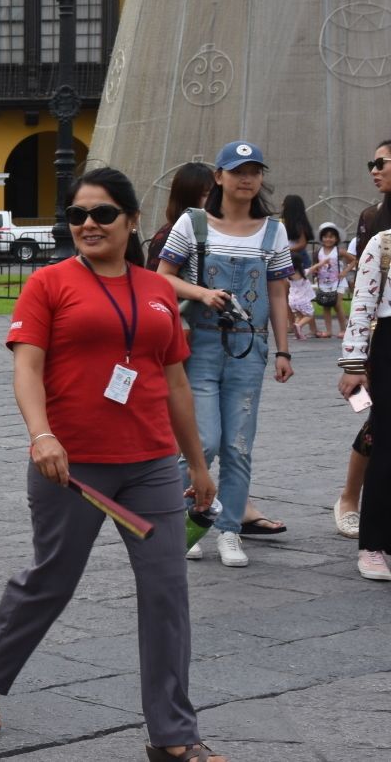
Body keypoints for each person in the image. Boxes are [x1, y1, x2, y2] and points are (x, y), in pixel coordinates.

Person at [0, 167, 224, 762]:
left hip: (151, 463)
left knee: (167, 592)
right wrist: (42, 434)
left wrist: (197, 465)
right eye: (77, 215)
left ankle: (173, 735)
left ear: (131, 220)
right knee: (53, 578)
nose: (88, 225)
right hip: (70, 466)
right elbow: (27, 367)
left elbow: (175, 380)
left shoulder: (157, 289)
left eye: (103, 214)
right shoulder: (49, 284)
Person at [155, 140, 294, 568]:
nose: (246, 178)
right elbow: (162, 279)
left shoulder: (274, 230)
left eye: (254, 171)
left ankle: (230, 530)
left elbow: (277, 292)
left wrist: (283, 350)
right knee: (204, 441)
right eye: (237, 171)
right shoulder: (192, 224)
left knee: (239, 445)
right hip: (200, 345)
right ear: (219, 177)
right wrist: (201, 292)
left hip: (250, 349)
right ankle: (186, 524)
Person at [340, 159, 391, 581]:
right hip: (389, 341)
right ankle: (373, 544)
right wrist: (354, 363)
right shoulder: (382, 243)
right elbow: (362, 306)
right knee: (386, 442)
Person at [146, 162, 214, 266]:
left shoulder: (211, 231)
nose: (211, 200)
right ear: (186, 198)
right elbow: (157, 280)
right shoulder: (169, 237)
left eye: (213, 194)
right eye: (205, 195)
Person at [308, 223, 351, 339]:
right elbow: (315, 266)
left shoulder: (339, 251)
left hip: (338, 282)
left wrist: (345, 271)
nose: (328, 239)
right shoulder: (318, 252)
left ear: (336, 238)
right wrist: (315, 271)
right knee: (326, 306)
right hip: (324, 282)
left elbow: (354, 260)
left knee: (337, 305)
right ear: (321, 238)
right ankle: (328, 331)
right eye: (326, 236)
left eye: (331, 236)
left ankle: (343, 329)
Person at [280, 193, 315, 278]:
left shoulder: (298, 225)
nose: (281, 205)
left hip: (297, 258)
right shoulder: (283, 222)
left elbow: (302, 244)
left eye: (284, 204)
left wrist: (284, 250)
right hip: (288, 257)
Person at [287, 265, 319, 342]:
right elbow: (315, 267)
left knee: (299, 316)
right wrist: (325, 261)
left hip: (292, 299)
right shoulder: (302, 272)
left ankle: (298, 333)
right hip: (302, 299)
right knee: (309, 315)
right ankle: (299, 325)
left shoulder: (288, 274)